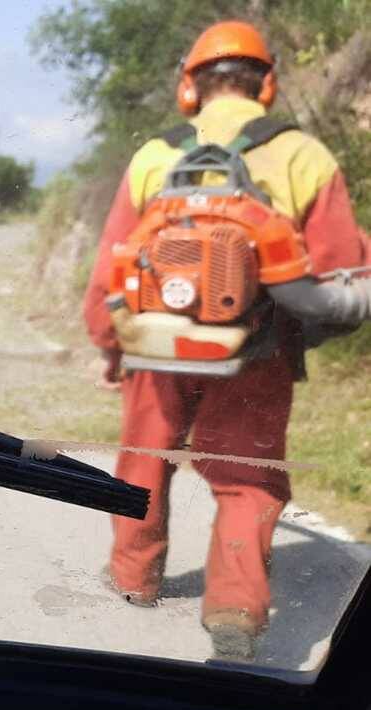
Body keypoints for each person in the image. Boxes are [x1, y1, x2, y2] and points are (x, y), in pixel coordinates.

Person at [82, 21, 371, 660]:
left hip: (154, 347)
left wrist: (110, 343)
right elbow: (341, 268)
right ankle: (236, 609)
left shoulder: (154, 155)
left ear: (191, 86)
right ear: (266, 84)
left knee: (143, 459)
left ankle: (134, 578)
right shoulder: (303, 156)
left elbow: (113, 266)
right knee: (247, 478)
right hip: (256, 352)